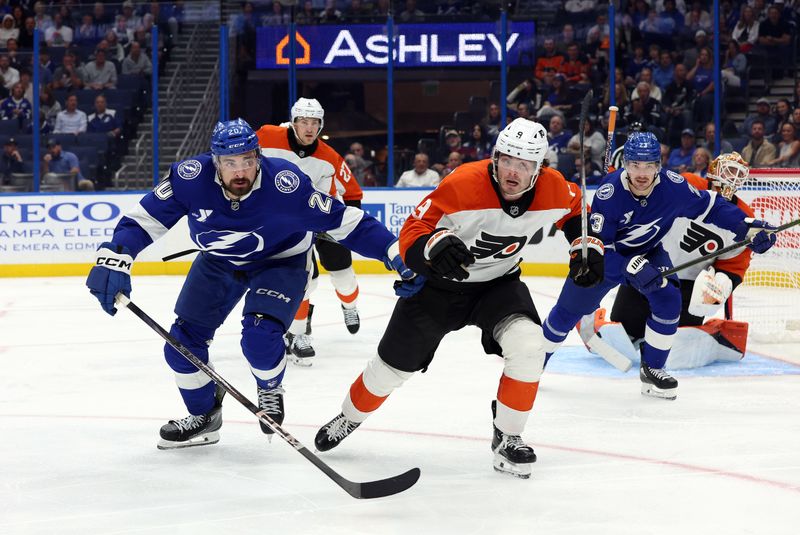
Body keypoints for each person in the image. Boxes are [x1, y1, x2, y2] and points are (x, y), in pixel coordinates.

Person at [85, 118, 416, 449]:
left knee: (259, 337)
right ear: (215, 162)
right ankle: (204, 417)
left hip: (281, 261)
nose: (240, 171)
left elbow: (347, 223)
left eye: (247, 160)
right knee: (181, 345)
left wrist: (395, 253)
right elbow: (142, 221)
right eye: (230, 163)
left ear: (258, 157)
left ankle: (270, 388)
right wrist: (115, 256)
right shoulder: (190, 178)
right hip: (219, 260)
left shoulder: (286, 185)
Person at [313, 118, 602, 479]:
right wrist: (432, 247)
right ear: (495, 157)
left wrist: (585, 247)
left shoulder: (554, 188)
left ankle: (508, 436)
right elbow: (413, 230)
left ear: (540, 169)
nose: (513, 171)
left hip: (498, 286)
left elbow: (578, 213)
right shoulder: (464, 181)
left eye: (525, 164)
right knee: (388, 371)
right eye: (507, 159)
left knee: (530, 347)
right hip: (438, 288)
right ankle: (349, 417)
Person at [541, 131, 777, 400]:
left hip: (649, 253)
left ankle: (653, 369)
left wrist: (745, 227)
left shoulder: (673, 186)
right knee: (567, 312)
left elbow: (709, 206)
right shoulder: (609, 194)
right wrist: (629, 265)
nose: (642, 174)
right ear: (626, 165)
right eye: (635, 166)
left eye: (649, 166)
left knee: (667, 298)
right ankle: (535, 362)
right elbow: (599, 248)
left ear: (659, 166)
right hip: (604, 260)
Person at [580, 152, 757, 369]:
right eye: (728, 170)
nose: (731, 177)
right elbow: (649, 197)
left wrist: (721, 284)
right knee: (625, 333)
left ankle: (714, 336)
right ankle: (597, 322)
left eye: (737, 173)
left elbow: (734, 263)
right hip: (646, 268)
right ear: (713, 170)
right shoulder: (690, 184)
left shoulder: (744, 214)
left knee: (676, 344)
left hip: (689, 288)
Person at [256, 99, 365, 365]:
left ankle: (349, 306)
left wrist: (346, 225)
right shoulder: (267, 136)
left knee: (344, 277)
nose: (309, 128)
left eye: (315, 123)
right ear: (293, 122)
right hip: (290, 224)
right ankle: (299, 333)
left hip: (324, 217)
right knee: (305, 278)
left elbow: (353, 193)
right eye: (303, 122)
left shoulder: (329, 156)